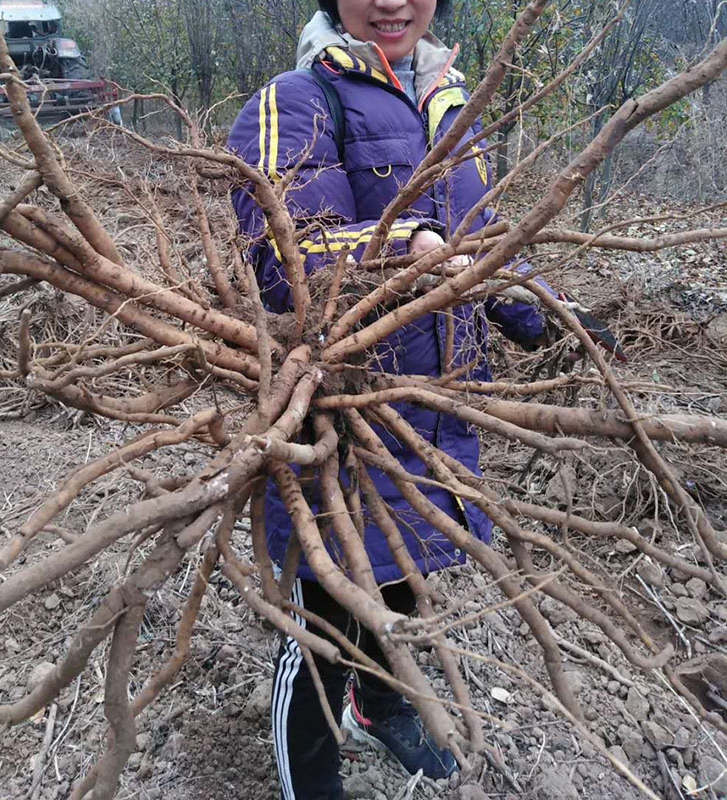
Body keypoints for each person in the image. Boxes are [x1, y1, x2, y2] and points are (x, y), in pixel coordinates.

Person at [228, 2, 548, 797]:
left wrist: (534, 301)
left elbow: (480, 230)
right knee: (326, 617)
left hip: (435, 404)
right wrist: (407, 245)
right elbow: (282, 255)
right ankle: (312, 772)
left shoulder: (448, 96)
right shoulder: (298, 97)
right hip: (339, 418)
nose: (393, 2)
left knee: (404, 575)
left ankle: (382, 707)